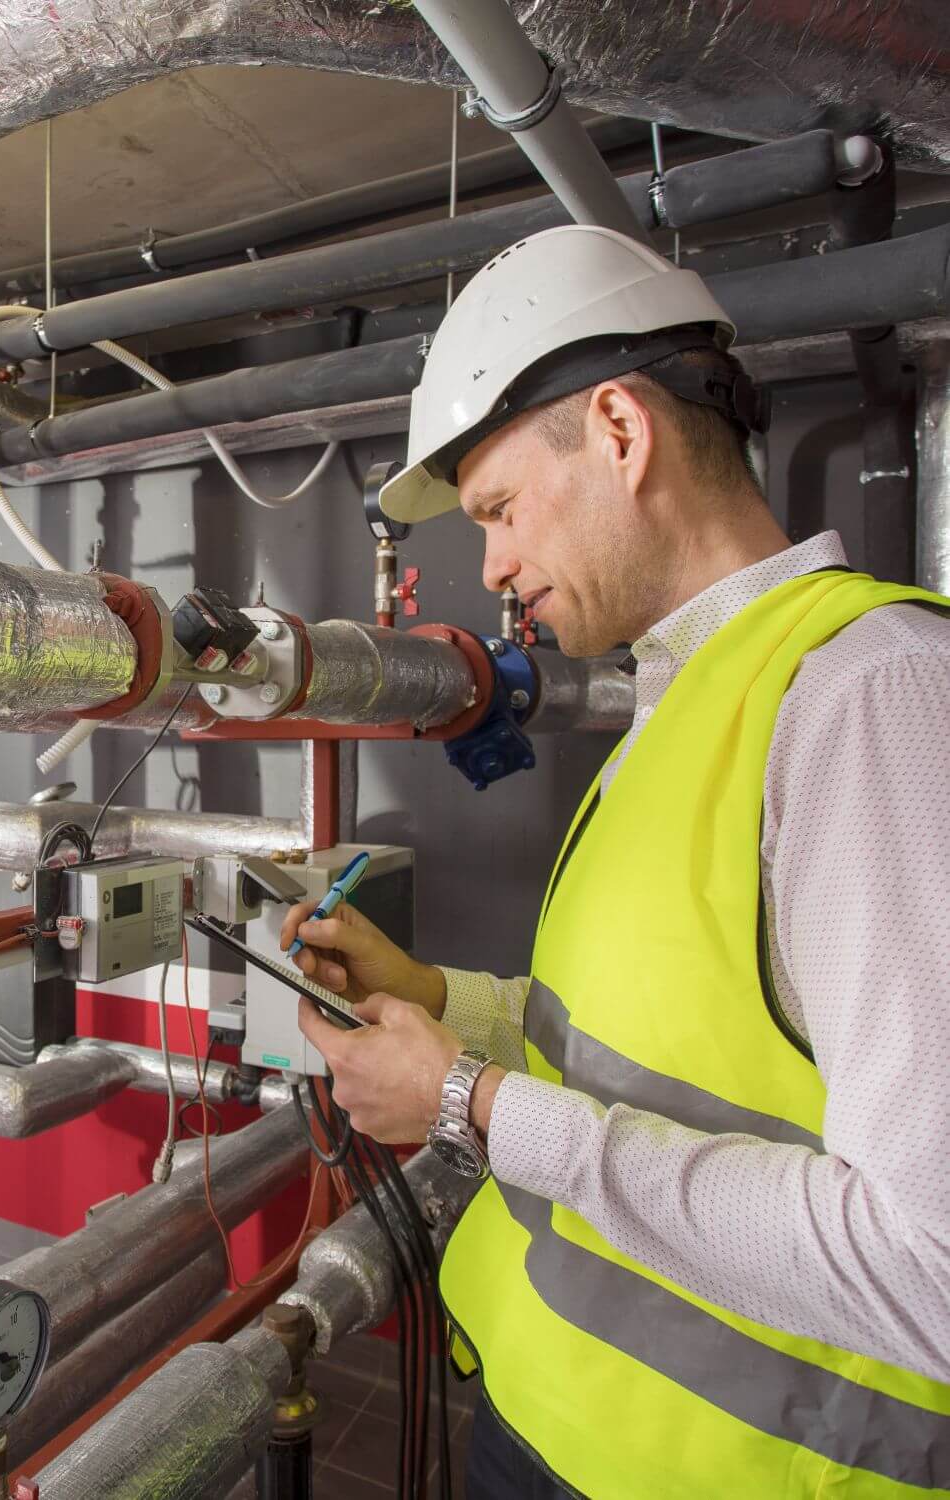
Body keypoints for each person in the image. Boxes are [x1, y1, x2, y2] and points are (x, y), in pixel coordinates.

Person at [281, 224, 950, 1498]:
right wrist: (439, 1006)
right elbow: (659, 1053)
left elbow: (931, 1268)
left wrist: (475, 1103)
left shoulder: (874, 698)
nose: (492, 570)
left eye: (499, 510)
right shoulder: (693, 698)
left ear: (622, 434)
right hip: (556, 1430)